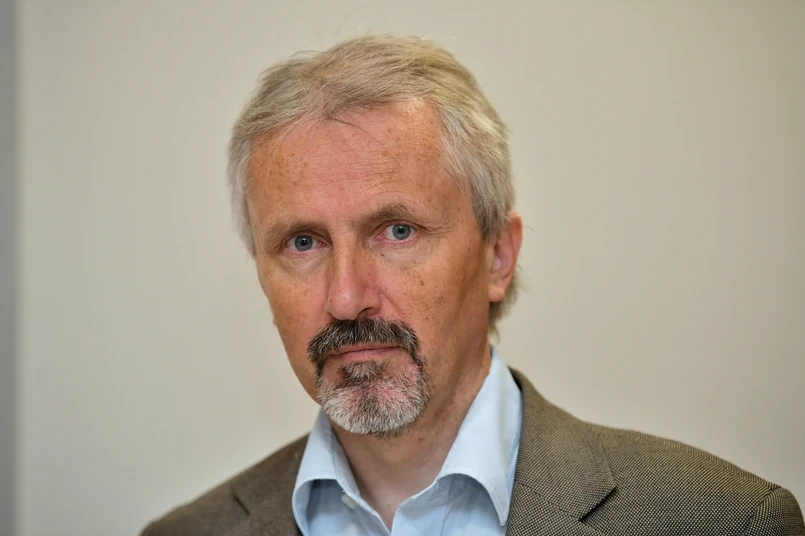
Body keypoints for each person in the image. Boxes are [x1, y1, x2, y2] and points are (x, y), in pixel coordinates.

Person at [142, 35, 804, 536]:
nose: (345, 298)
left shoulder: (721, 521)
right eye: (303, 243)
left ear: (497, 256)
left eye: (397, 231)